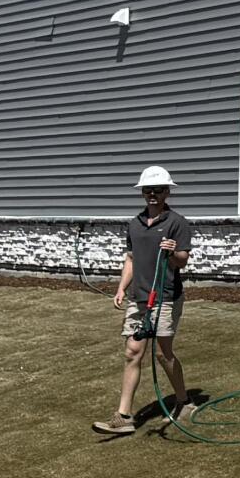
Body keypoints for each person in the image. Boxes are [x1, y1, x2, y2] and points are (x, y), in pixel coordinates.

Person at [95, 165, 200, 437]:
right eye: (148, 190)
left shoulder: (177, 222)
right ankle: (123, 417)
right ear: (142, 192)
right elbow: (130, 259)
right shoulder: (135, 223)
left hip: (165, 297)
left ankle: (185, 400)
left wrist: (174, 252)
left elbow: (182, 261)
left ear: (167, 192)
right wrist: (121, 288)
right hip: (138, 298)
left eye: (158, 189)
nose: (153, 194)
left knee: (163, 354)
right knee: (132, 351)